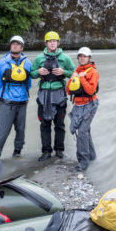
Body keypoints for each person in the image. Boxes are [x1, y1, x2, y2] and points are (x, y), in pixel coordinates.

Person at [31, 31, 75, 161]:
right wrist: (38, 72)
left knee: (59, 124)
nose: (52, 43)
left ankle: (59, 150)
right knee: (44, 124)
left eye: (54, 41)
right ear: (46, 43)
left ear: (58, 43)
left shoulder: (65, 58)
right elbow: (32, 74)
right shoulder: (39, 58)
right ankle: (46, 151)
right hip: (44, 94)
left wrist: (63, 71)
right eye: (50, 41)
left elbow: (73, 73)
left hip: (59, 94)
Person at [0, 35, 32, 160]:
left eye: (18, 44)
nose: (15, 45)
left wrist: (22, 94)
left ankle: (17, 152)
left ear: (22, 47)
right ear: (10, 46)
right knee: (2, 132)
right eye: (13, 43)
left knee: (20, 130)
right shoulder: (1, 63)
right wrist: (5, 94)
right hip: (7, 103)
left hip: (22, 102)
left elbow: (28, 82)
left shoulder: (28, 63)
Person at [66, 46, 99, 171]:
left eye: (84, 56)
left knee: (82, 133)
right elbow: (69, 91)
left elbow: (90, 90)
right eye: (80, 56)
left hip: (90, 105)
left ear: (89, 58)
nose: (82, 58)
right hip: (78, 105)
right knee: (85, 132)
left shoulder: (93, 72)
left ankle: (83, 162)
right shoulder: (77, 70)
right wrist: (74, 77)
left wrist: (81, 77)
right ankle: (92, 156)